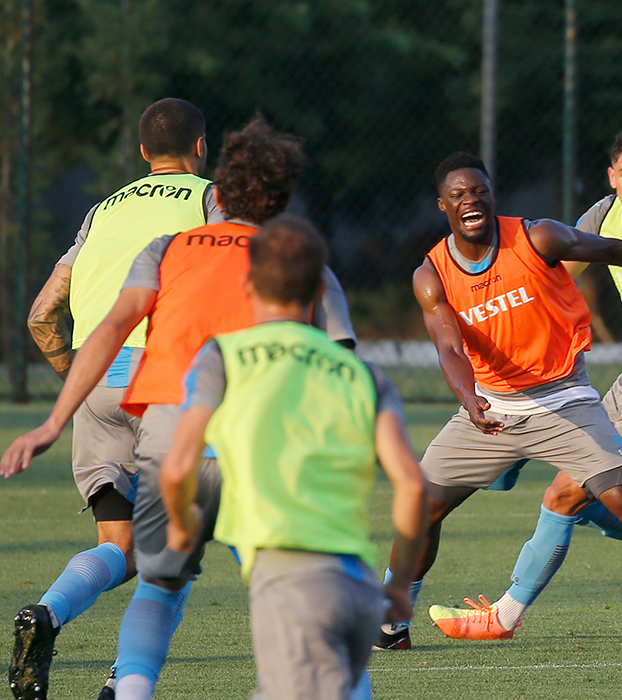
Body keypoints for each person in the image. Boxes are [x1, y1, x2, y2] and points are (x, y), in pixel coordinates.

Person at [0, 117, 356, 700]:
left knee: (138, 558)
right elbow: (334, 358)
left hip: (118, 391)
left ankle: (65, 626)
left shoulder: (124, 223)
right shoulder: (278, 246)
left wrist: (57, 414)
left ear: (143, 151)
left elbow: (57, 314)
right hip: (210, 409)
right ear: (200, 151)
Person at [376, 151, 622, 656]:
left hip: (563, 401)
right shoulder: (432, 274)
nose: (471, 200)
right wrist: (470, 400)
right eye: (459, 194)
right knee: (419, 508)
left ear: (491, 195)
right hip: (491, 408)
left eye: (479, 190)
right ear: (444, 205)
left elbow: (617, 250)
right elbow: (449, 347)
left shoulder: (537, 236)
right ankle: (392, 624)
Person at [159, 215, 428, 700]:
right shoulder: (361, 373)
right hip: (358, 585)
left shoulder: (224, 356)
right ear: (321, 287)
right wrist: (400, 586)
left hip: (291, 584)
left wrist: (180, 527)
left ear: (246, 283)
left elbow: (177, 467)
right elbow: (412, 485)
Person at [5, 97, 221, 700]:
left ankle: (46, 615)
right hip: (168, 386)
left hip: (98, 386)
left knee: (119, 548)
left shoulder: (102, 209)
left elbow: (42, 314)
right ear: (202, 148)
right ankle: (122, 683)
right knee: (172, 561)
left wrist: (81, 381)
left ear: (144, 153)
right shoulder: (210, 200)